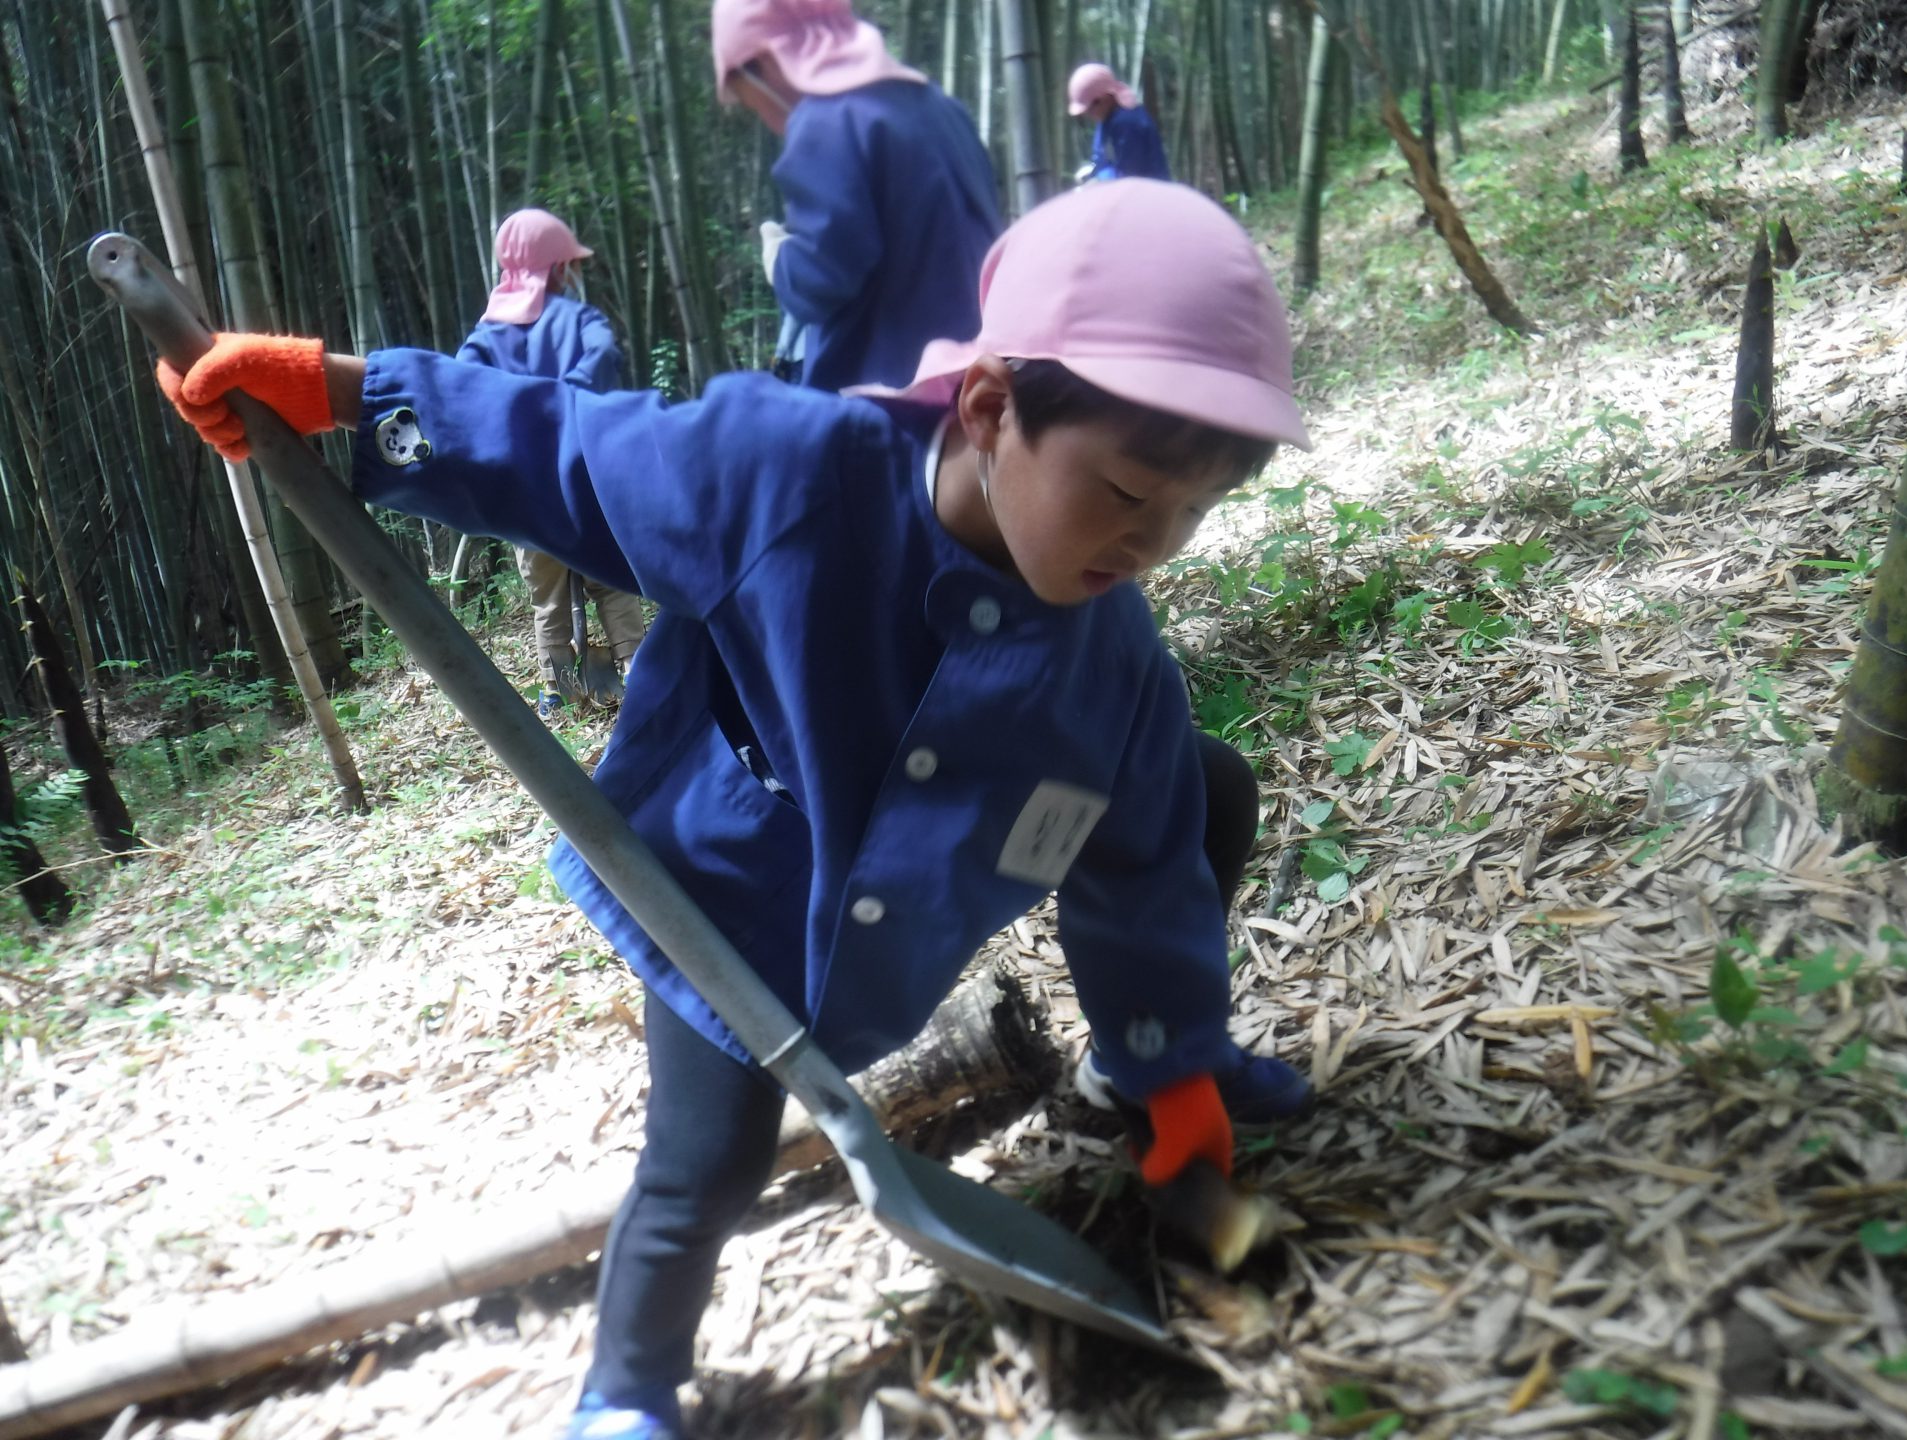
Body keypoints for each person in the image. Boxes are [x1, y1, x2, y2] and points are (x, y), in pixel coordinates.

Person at [156, 179, 1315, 1440]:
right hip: (733, 900)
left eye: (1196, 511)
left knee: (1198, 789)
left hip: (942, 869)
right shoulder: (789, 473)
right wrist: (338, 387)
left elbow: (1139, 880)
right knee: (704, 1165)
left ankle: (1132, 1073)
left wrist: (1172, 1068)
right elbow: (570, 447)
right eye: (1131, 494)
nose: (1154, 543)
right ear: (990, 408)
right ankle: (627, 1390)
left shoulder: (1112, 661)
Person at [716, 0, 1001, 392]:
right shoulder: (943, 108)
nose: (768, 121)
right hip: (975, 375)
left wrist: (780, 260)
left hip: (890, 390)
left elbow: (820, 279)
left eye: (751, 102)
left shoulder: (827, 120)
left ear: (766, 62)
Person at [457, 208, 648, 717]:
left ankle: (558, 692)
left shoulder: (487, 336)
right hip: (587, 483)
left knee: (548, 598)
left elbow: (461, 393)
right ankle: (637, 674)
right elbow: (602, 361)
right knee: (613, 581)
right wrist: (565, 401)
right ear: (559, 268)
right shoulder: (581, 322)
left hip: (526, 493)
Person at [1068, 62, 1171, 183]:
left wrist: (1099, 180)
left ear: (1105, 98)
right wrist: (1092, 170)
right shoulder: (1105, 118)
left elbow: (1129, 176)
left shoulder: (1128, 124)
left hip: (1146, 191)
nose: (1088, 115)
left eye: (1089, 109)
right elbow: (1100, 157)